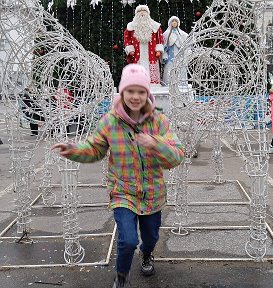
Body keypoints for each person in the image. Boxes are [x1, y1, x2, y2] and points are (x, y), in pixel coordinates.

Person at [51, 64, 184, 287]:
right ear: (122, 92)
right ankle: (121, 277)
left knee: (150, 237)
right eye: (130, 91)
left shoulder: (159, 122)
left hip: (152, 193)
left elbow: (177, 156)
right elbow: (94, 150)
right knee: (128, 240)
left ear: (147, 94)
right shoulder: (109, 122)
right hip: (123, 191)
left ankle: (147, 253)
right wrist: (73, 150)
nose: (135, 97)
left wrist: (155, 144)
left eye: (141, 92)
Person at [123, 5, 164, 84]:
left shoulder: (155, 26)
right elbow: (127, 38)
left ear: (148, 13)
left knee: (151, 67)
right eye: (139, 11)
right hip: (137, 53)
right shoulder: (131, 26)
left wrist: (158, 50)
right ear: (136, 14)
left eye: (144, 11)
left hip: (151, 53)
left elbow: (159, 38)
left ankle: (152, 82)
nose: (142, 13)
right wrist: (130, 49)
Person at [162, 16, 188, 85]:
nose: (174, 23)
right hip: (170, 57)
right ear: (170, 23)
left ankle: (181, 84)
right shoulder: (166, 34)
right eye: (173, 21)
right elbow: (163, 47)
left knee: (180, 69)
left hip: (180, 57)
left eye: (175, 21)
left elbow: (185, 46)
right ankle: (168, 84)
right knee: (169, 70)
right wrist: (164, 55)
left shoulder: (182, 34)